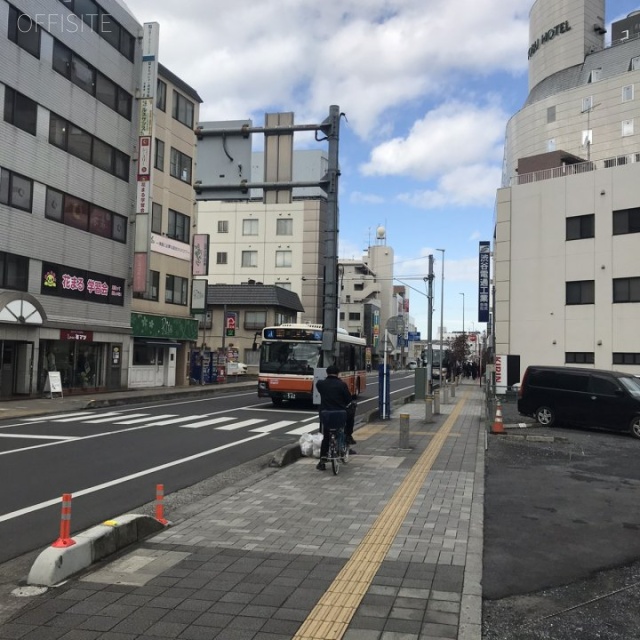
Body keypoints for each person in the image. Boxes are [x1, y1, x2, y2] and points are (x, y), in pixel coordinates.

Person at [315, 364, 353, 471]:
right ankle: (348, 435)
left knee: (326, 436)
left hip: (326, 414)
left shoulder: (321, 384)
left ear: (326, 373)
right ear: (338, 373)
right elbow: (348, 400)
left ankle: (322, 461)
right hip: (340, 414)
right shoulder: (342, 384)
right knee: (349, 415)